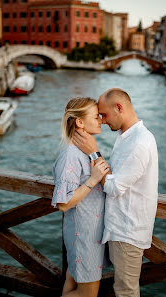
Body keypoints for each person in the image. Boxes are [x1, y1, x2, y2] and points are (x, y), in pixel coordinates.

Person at [73, 88, 158, 297]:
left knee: (125, 292)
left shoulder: (139, 143)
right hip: (118, 227)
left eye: (104, 114)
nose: (101, 120)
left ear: (119, 108)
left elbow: (113, 187)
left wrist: (93, 151)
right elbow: (114, 176)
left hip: (127, 231)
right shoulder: (126, 136)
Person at [51, 97, 110, 297]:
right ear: (80, 122)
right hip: (83, 235)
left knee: (71, 280)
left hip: (89, 234)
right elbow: (63, 203)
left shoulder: (84, 152)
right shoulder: (71, 155)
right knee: (87, 295)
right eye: (96, 117)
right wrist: (93, 180)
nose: (101, 120)